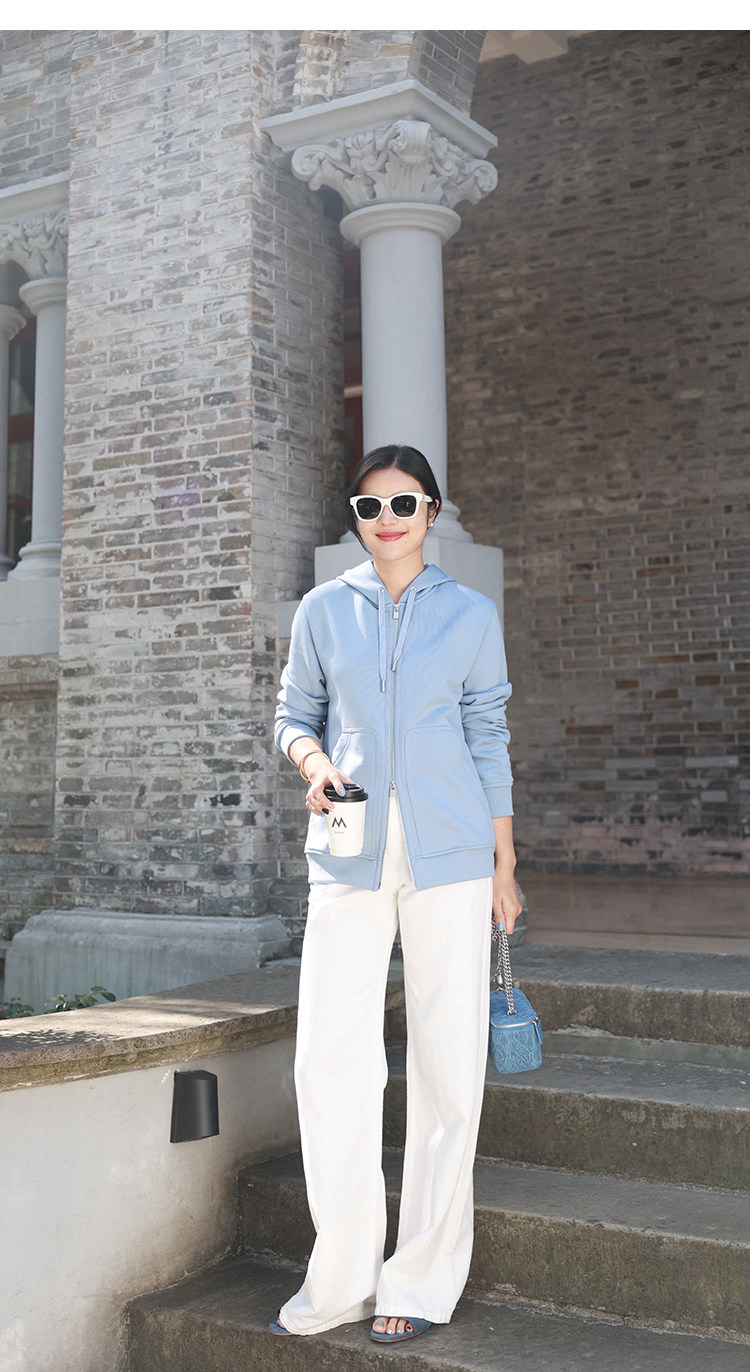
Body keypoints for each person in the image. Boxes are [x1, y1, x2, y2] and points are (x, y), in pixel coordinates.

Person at [270, 443, 521, 1345]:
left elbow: (488, 735)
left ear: (432, 512)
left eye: (403, 504)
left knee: (448, 1063)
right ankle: (340, 1277)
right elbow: (293, 716)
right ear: (355, 518)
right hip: (348, 848)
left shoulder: (471, 614)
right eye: (369, 507)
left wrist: (504, 864)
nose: (386, 521)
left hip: (453, 851)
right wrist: (313, 763)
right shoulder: (322, 610)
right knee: (329, 1059)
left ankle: (419, 1278)